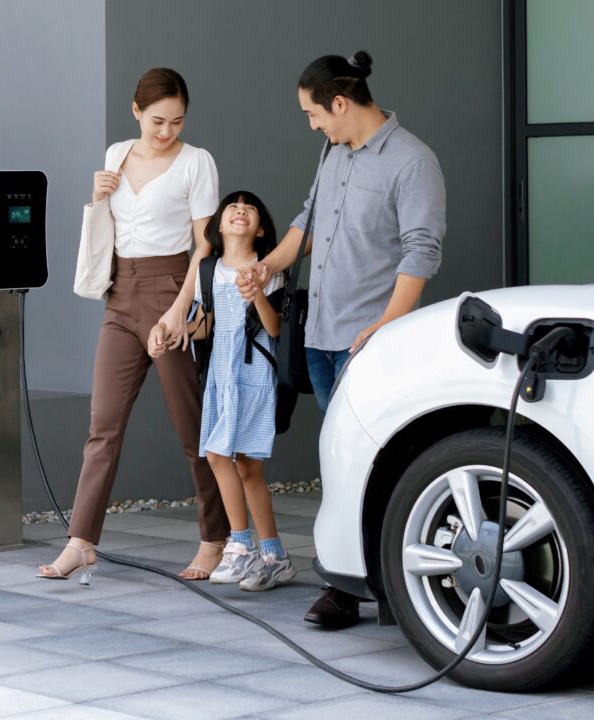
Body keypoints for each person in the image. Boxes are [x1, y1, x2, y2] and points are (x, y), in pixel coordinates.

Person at [239, 51, 446, 624]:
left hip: (371, 343)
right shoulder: (334, 152)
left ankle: (364, 588)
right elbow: (308, 220)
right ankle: (353, 579)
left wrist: (387, 326)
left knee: (377, 462)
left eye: (313, 113)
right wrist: (268, 267)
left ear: (339, 102)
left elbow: (422, 250)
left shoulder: (412, 161)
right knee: (342, 461)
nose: (312, 125)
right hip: (321, 336)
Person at [37, 68, 230, 583]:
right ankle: (81, 541)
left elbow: (204, 246)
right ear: (136, 111)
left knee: (192, 430)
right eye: (157, 121)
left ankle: (215, 539)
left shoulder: (197, 163)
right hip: (121, 298)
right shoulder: (116, 155)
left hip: (172, 291)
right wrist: (98, 194)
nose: (166, 132)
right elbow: (110, 227)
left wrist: (178, 312)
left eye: (177, 121)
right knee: (103, 427)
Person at [152, 191, 295, 591]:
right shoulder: (208, 269)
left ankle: (241, 545)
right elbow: (205, 323)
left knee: (227, 457)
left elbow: (274, 330)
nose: (240, 210)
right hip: (220, 373)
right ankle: (275, 556)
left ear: (261, 227)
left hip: (253, 372)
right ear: (219, 224)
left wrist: (258, 295)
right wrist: (172, 332)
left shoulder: (268, 270)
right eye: (233, 205)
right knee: (241, 464)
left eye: (249, 208)